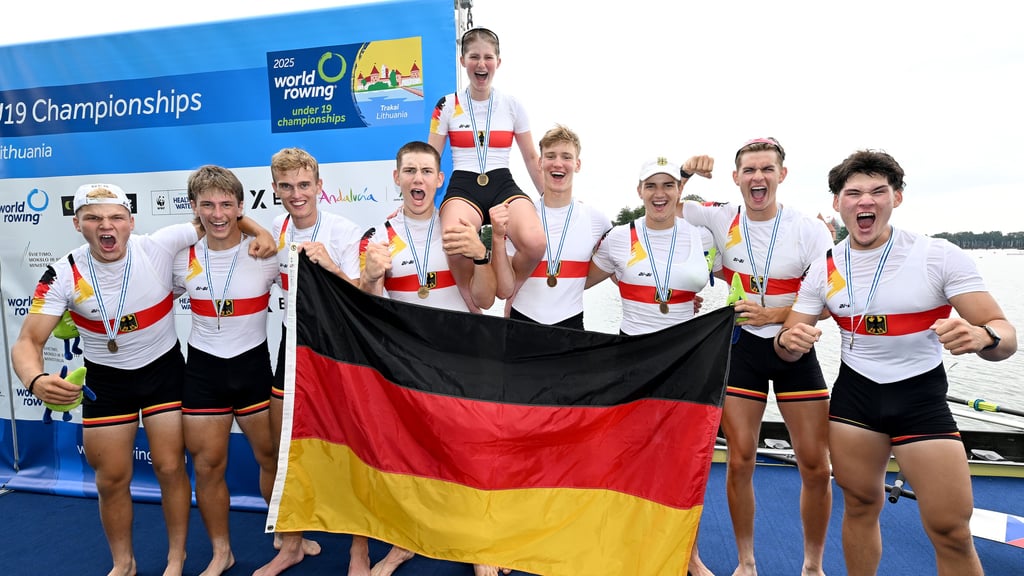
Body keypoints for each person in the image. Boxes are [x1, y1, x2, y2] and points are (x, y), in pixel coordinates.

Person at [775, 150, 1017, 576]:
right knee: (860, 506)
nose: (864, 202)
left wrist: (984, 337)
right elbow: (787, 343)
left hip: (920, 401)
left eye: (877, 192)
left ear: (896, 198)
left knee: (951, 530)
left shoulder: (937, 255)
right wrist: (788, 340)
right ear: (838, 204)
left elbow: (1006, 336)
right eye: (853, 193)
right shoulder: (823, 267)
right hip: (855, 403)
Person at [11, 182, 274, 576]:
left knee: (170, 468)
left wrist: (261, 230)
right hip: (107, 381)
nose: (107, 226)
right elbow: (28, 340)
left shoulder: (159, 245)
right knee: (111, 479)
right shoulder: (61, 272)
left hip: (162, 373)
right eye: (94, 218)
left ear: (131, 222)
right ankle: (124, 563)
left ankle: (176, 558)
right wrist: (34, 378)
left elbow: (216, 220)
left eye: (116, 217)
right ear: (77, 223)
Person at [679, 137, 833, 576]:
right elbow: (665, 203)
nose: (758, 177)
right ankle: (746, 562)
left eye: (767, 169)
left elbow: (828, 298)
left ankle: (812, 566)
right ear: (736, 178)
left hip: (794, 348)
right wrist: (686, 173)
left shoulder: (809, 230)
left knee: (815, 465)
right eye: (749, 170)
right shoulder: (720, 215)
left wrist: (775, 314)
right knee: (741, 458)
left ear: (782, 175)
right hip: (741, 347)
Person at [356, 140, 501, 576]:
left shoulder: (460, 229)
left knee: (470, 453)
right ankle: (405, 541)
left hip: (461, 361)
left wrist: (483, 256)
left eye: (426, 172)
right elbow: (367, 312)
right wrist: (368, 278)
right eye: (410, 171)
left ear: (440, 180)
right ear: (397, 177)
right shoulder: (376, 237)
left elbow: (487, 299)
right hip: (405, 365)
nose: (418, 179)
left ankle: (480, 544)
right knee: (408, 457)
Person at [587, 157, 717, 576]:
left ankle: (688, 554)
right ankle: (623, 543)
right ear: (639, 191)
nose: (660, 193)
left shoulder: (700, 234)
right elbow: (576, 281)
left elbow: (746, 271)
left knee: (685, 460)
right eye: (651, 186)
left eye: (668, 185)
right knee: (628, 456)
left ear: (680, 192)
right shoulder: (618, 238)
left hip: (687, 357)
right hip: (632, 358)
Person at [255, 147, 365, 576]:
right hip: (292, 346)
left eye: (304, 185)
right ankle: (293, 543)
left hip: (341, 348)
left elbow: (362, 293)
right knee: (287, 449)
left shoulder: (344, 229)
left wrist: (331, 265)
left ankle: (359, 550)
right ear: (276, 189)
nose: (296, 193)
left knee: (356, 449)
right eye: (287, 186)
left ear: (320, 186)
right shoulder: (275, 232)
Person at [172, 166, 279, 576]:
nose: (218, 214)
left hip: (253, 368)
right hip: (203, 373)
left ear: (240, 206)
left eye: (226, 204)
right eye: (207, 205)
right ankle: (222, 552)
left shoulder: (265, 253)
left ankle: (288, 538)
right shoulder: (179, 258)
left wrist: (260, 232)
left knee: (270, 458)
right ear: (194, 209)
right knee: (207, 466)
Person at [428, 26, 546, 313]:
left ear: (498, 62)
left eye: (488, 57)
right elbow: (430, 158)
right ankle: (474, 309)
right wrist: (419, 205)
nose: (481, 64)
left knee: (534, 241)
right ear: (463, 61)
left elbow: (531, 157)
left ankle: (512, 293)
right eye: (474, 57)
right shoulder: (446, 105)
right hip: (463, 185)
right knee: (454, 241)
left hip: (502, 183)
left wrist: (553, 202)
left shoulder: (513, 105)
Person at [492, 124, 612, 329]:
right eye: (550, 156)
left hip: (571, 327)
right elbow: (505, 285)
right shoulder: (521, 217)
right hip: (521, 323)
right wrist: (497, 238)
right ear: (540, 162)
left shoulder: (597, 220)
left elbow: (622, 271)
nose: (558, 163)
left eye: (566, 157)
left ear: (578, 164)